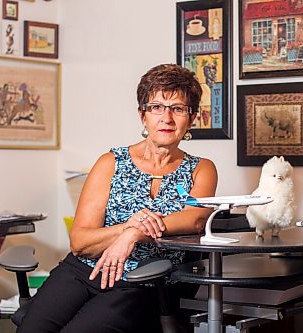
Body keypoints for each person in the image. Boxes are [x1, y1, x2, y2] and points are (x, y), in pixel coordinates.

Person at [18, 64, 218, 332]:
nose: (166, 118)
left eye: (178, 109)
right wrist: (127, 227)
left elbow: (195, 220)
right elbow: (80, 242)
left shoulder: (201, 168)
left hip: (143, 282)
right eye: (156, 107)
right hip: (82, 272)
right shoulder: (111, 162)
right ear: (142, 116)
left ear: (191, 118)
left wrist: (135, 234)